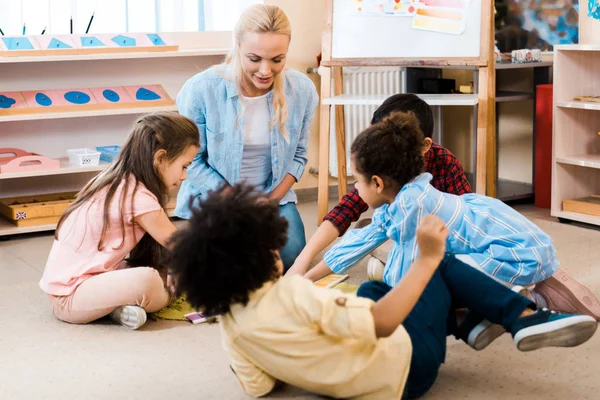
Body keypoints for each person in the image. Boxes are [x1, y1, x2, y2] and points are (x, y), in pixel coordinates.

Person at [167, 183, 597, 399]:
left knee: (375, 286)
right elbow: (382, 322)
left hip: (355, 371)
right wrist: (428, 257)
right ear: (265, 257)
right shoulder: (294, 296)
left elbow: (258, 386)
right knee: (437, 266)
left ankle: (470, 325)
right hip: (407, 370)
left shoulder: (233, 327)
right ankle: (522, 317)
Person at [303, 111, 600, 350]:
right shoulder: (408, 195)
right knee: (420, 272)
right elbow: (359, 241)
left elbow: (405, 279)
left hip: (517, 253)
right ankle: (478, 318)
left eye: (357, 180)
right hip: (509, 242)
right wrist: (304, 278)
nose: (355, 187)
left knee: (428, 275)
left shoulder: (412, 209)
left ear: (378, 183)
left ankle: (530, 304)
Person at [175, 4, 319, 271]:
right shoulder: (200, 90)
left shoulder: (303, 91)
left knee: (290, 257)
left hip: (271, 197)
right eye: (254, 58)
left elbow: (298, 156)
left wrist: (270, 200)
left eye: (277, 60)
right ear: (238, 47)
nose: (265, 70)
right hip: (215, 198)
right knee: (224, 265)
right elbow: (193, 162)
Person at [39, 112, 200, 330]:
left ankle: (116, 309)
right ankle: (159, 295)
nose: (184, 176)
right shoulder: (137, 196)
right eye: (184, 166)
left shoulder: (116, 181)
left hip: (82, 285)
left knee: (154, 266)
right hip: (71, 298)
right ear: (160, 158)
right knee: (151, 279)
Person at [287, 93, 471, 279]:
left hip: (444, 241)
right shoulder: (382, 165)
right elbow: (347, 212)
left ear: (425, 146)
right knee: (367, 229)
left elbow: (466, 222)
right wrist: (301, 264)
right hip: (405, 233)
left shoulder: (440, 166)